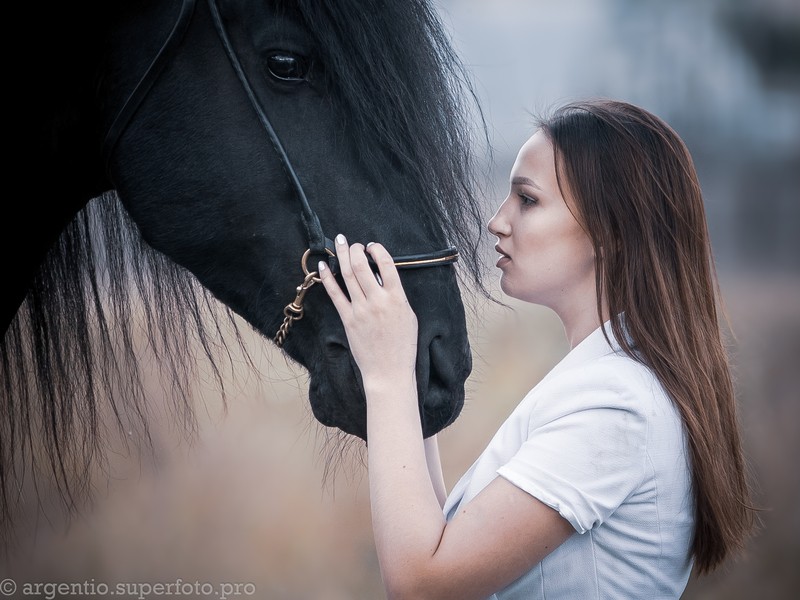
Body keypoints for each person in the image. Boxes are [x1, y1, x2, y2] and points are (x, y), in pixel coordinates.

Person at [317, 99, 754, 599]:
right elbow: (441, 548)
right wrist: (404, 367)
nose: (496, 222)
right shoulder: (606, 382)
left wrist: (388, 378)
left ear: (610, 230)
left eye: (527, 200)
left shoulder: (617, 405)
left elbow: (422, 584)